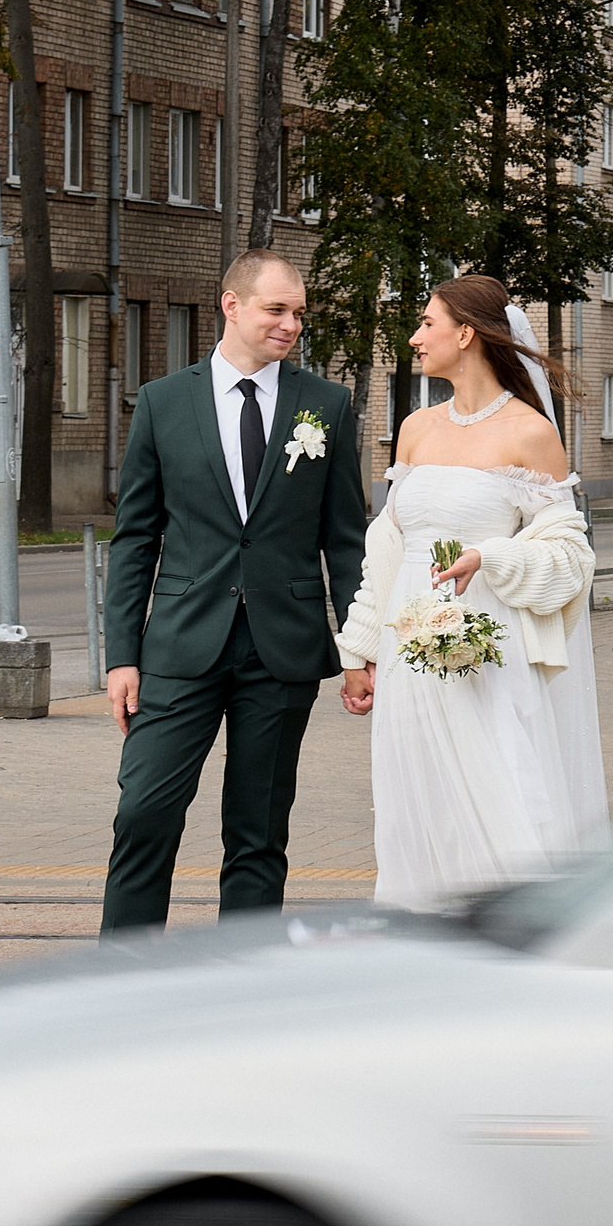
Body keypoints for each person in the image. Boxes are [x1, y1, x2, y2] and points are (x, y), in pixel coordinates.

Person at [99, 249, 368, 933]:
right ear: (232, 306)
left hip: (283, 648)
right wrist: (121, 656)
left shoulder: (326, 404)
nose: (290, 326)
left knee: (257, 831)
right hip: (181, 645)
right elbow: (135, 538)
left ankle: (240, 984)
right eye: (276, 310)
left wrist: (361, 645)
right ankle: (124, 977)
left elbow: (344, 540)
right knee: (144, 812)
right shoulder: (164, 402)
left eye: (299, 314)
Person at [334, 275, 609, 911]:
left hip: (486, 653)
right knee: (416, 796)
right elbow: (388, 550)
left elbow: (570, 557)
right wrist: (360, 650)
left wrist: (492, 556)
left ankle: (521, 930)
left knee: (501, 789)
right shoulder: (415, 429)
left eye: (427, 323)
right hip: (411, 652)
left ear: (466, 333)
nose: (414, 337)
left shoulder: (530, 432)